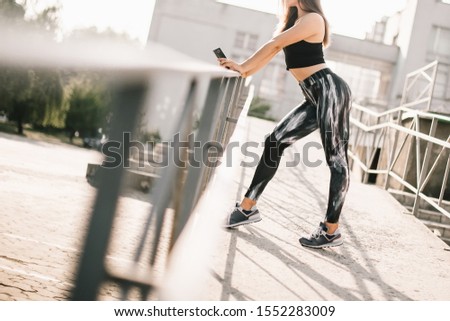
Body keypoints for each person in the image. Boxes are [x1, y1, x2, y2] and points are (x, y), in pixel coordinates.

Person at [218, 0, 352, 249]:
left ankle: (331, 230)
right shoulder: (295, 22)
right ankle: (248, 208)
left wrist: (244, 66)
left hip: (330, 91)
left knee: (337, 161)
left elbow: (275, 44)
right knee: (274, 141)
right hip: (313, 94)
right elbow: (273, 50)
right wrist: (243, 71)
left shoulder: (314, 19)